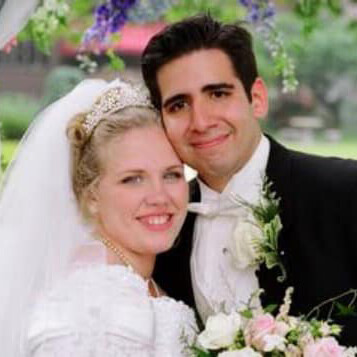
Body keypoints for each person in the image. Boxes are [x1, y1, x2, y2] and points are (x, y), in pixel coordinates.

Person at [141, 14, 357, 345]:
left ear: (256, 98)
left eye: (217, 94)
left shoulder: (345, 191)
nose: (200, 121)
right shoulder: (163, 230)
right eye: (179, 104)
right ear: (162, 120)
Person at [0, 79, 197, 356]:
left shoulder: (138, 277)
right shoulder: (90, 304)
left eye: (172, 174)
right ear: (91, 196)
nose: (159, 196)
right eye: (133, 179)